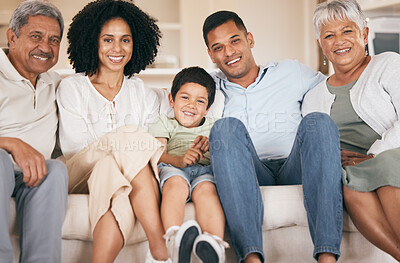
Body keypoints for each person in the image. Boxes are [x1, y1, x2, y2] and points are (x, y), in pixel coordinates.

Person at [203, 11, 343, 263]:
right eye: (218, 47)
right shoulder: (208, 88)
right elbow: (179, 113)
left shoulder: (291, 71)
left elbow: (336, 91)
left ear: (250, 40)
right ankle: (251, 258)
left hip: (295, 165)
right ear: (211, 55)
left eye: (235, 41)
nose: (229, 52)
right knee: (225, 128)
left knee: (318, 122)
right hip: (249, 172)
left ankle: (327, 258)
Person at [56, 0, 170, 262]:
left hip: (117, 175)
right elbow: (75, 147)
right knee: (130, 137)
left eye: (125, 40)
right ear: (92, 41)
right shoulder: (72, 88)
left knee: (112, 176)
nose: (117, 48)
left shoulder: (141, 92)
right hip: (77, 171)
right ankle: (160, 246)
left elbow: (149, 152)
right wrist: (125, 141)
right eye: (108, 40)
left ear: (136, 43)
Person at [302, 0, 400, 261]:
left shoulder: (388, 65)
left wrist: (374, 155)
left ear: (364, 34)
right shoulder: (313, 97)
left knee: (388, 164)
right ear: (322, 45)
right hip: (350, 171)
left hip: (390, 155)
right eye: (329, 35)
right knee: (351, 186)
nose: (338, 41)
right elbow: (314, 144)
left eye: (347, 31)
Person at [0, 1, 68, 263]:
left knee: (56, 170)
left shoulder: (56, 83)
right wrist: (12, 144)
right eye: (36, 36)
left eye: (54, 40)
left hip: (31, 176)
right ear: (12, 37)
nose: (45, 47)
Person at [149, 66, 228, 263]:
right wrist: (179, 160)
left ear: (207, 108)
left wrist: (212, 145)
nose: (191, 105)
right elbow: (157, 154)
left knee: (208, 191)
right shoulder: (165, 122)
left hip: (205, 171)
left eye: (200, 101)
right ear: (171, 100)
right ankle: (175, 239)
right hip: (173, 168)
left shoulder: (213, 126)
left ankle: (213, 244)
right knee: (175, 185)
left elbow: (225, 153)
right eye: (185, 98)